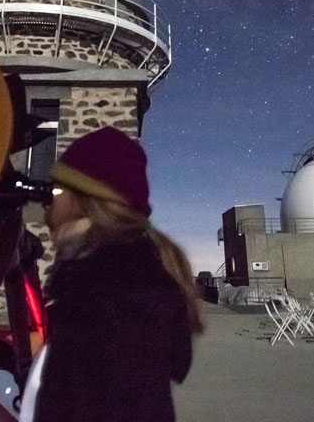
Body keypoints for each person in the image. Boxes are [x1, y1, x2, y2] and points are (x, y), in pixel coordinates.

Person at [20, 126, 203, 422]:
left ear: (84, 200)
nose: (46, 203)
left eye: (56, 190)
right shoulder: (119, 286)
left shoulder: (110, 302)